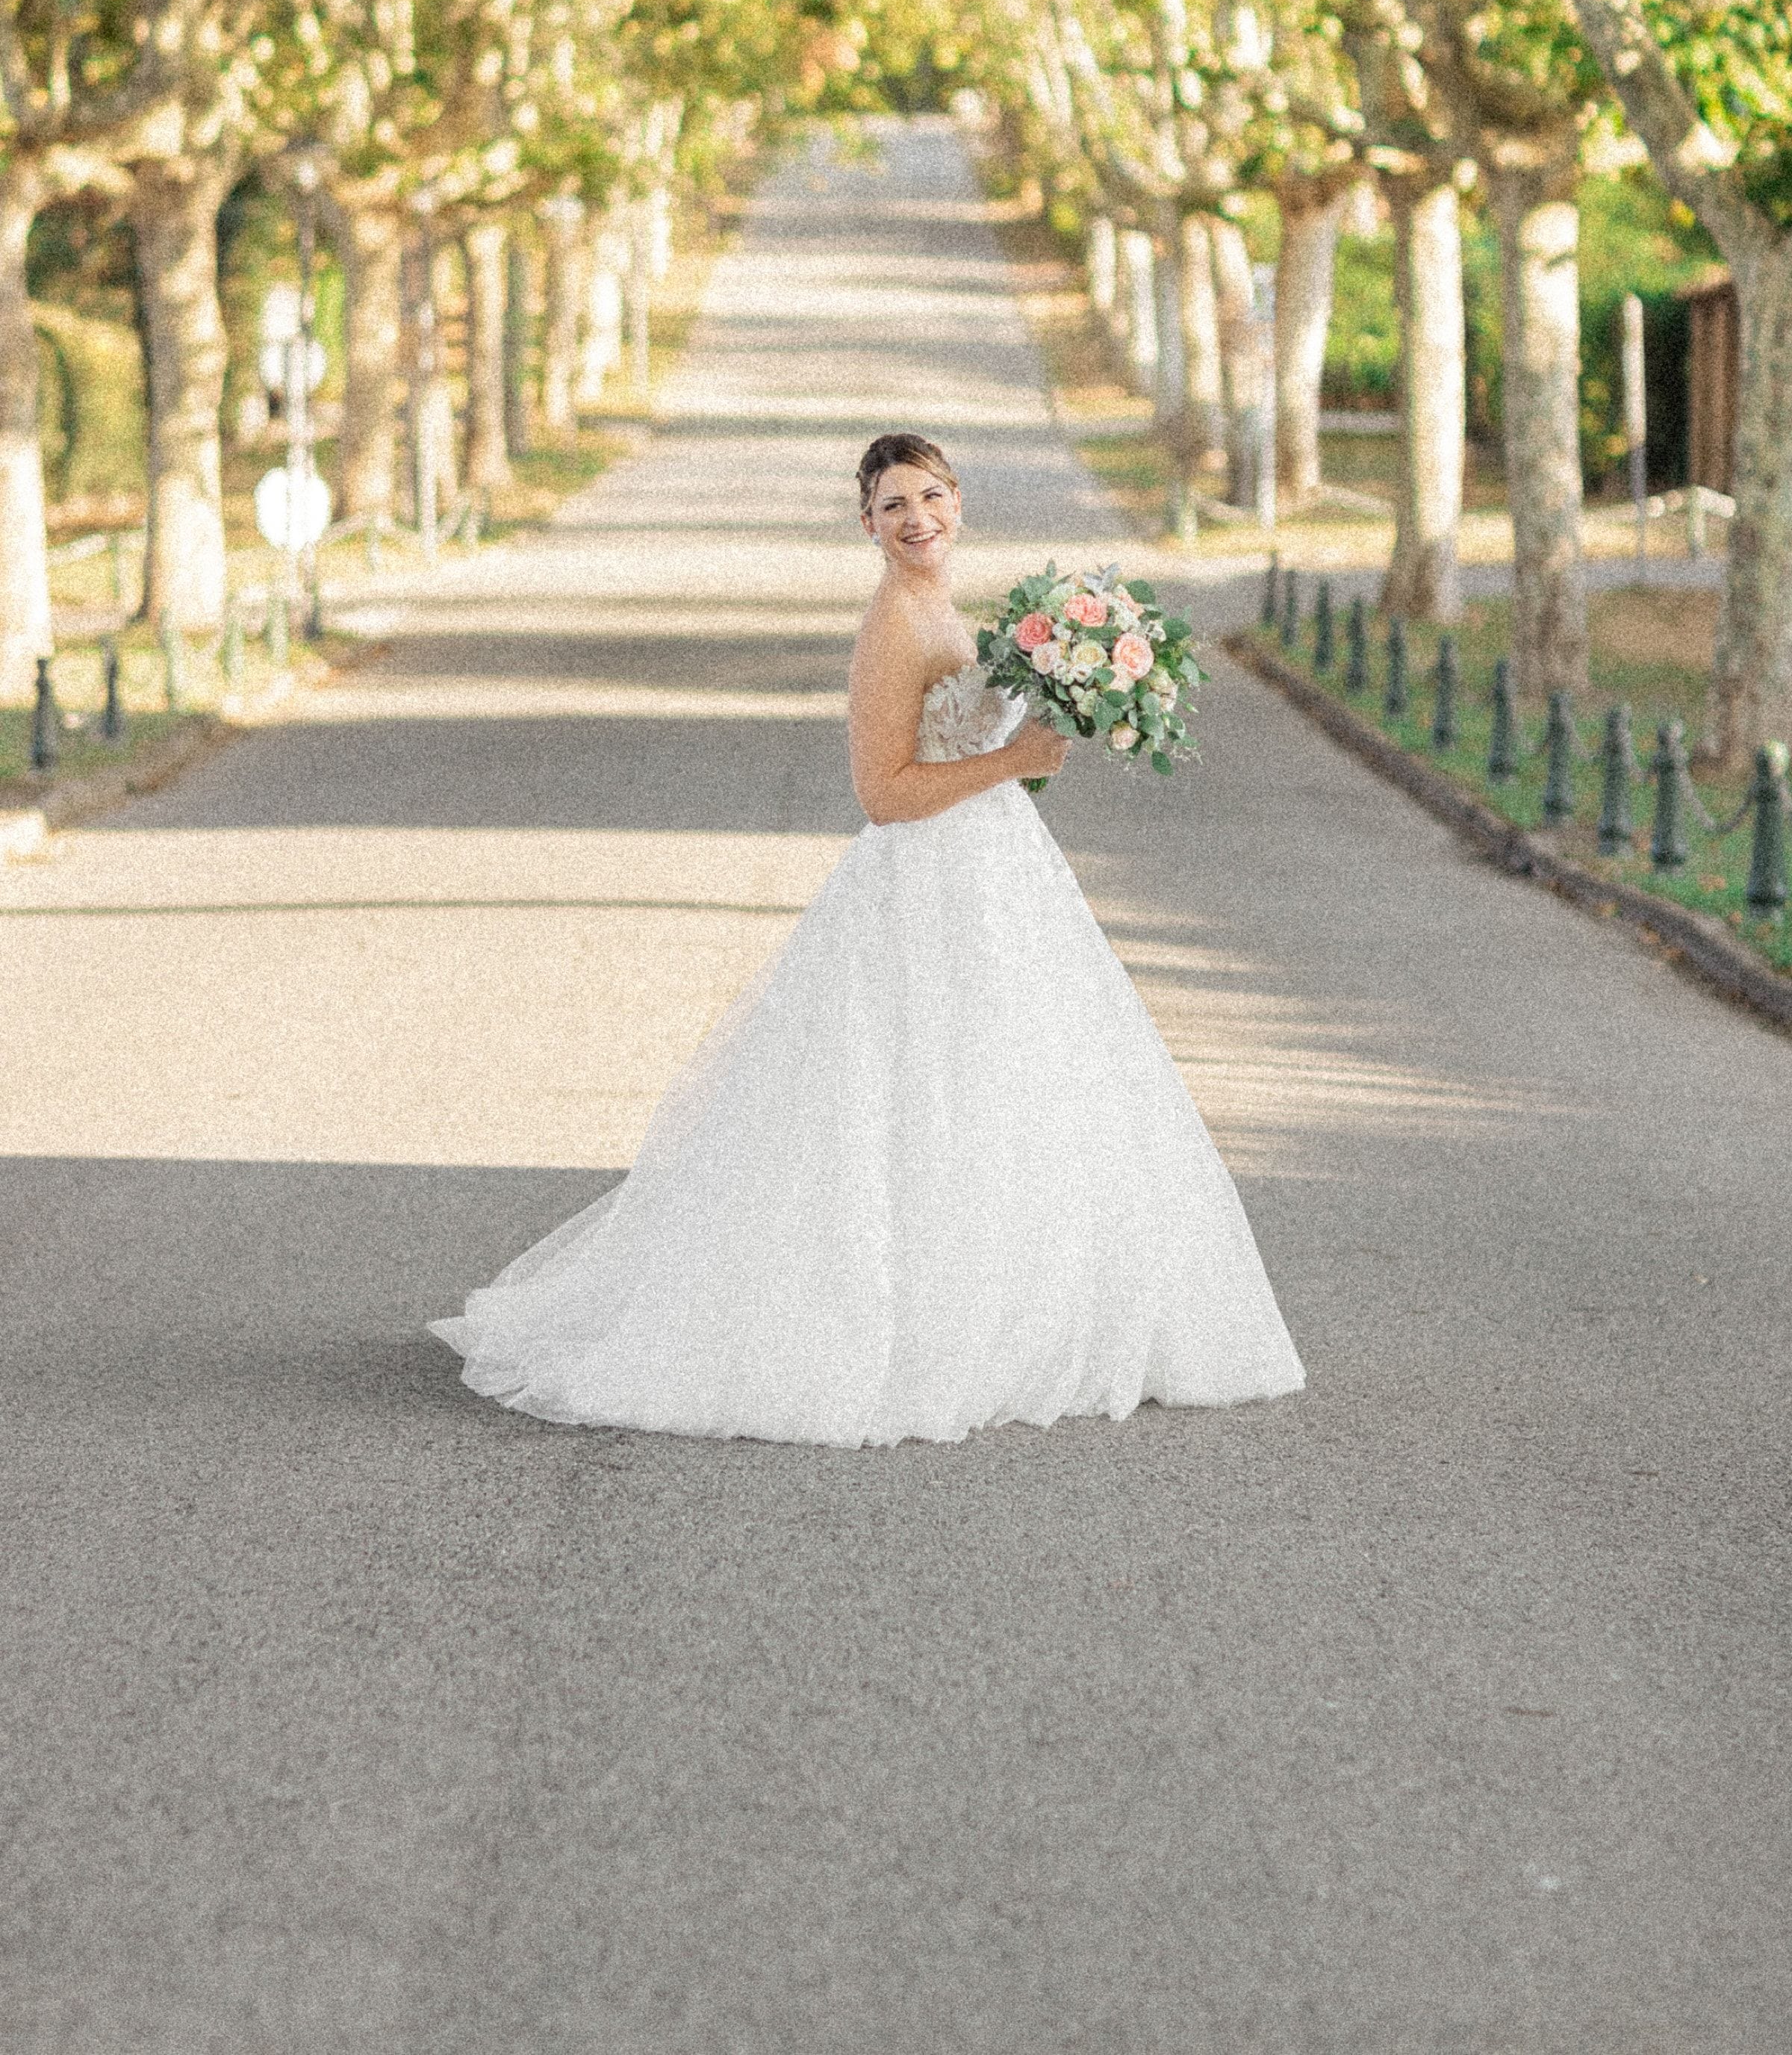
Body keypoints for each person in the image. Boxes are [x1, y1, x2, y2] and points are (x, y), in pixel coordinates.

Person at [430, 432, 1304, 1443]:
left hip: (995, 868)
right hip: (926, 881)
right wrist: (1014, 758)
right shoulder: (893, 624)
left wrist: (1059, 713)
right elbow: (883, 793)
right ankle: (906, 1323)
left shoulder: (945, 607)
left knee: (1010, 1085)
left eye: (930, 496)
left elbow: (965, 737)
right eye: (893, 505)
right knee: (916, 1091)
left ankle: (1020, 1306)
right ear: (868, 526)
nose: (916, 518)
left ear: (959, 503)